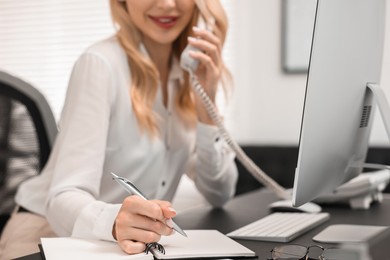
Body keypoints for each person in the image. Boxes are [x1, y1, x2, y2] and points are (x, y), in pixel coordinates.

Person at [0, 0, 238, 258]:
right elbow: (62, 199)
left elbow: (219, 193)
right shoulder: (100, 64)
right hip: (44, 235)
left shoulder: (189, 74)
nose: (168, 4)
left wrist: (207, 105)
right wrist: (113, 221)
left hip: (123, 244)